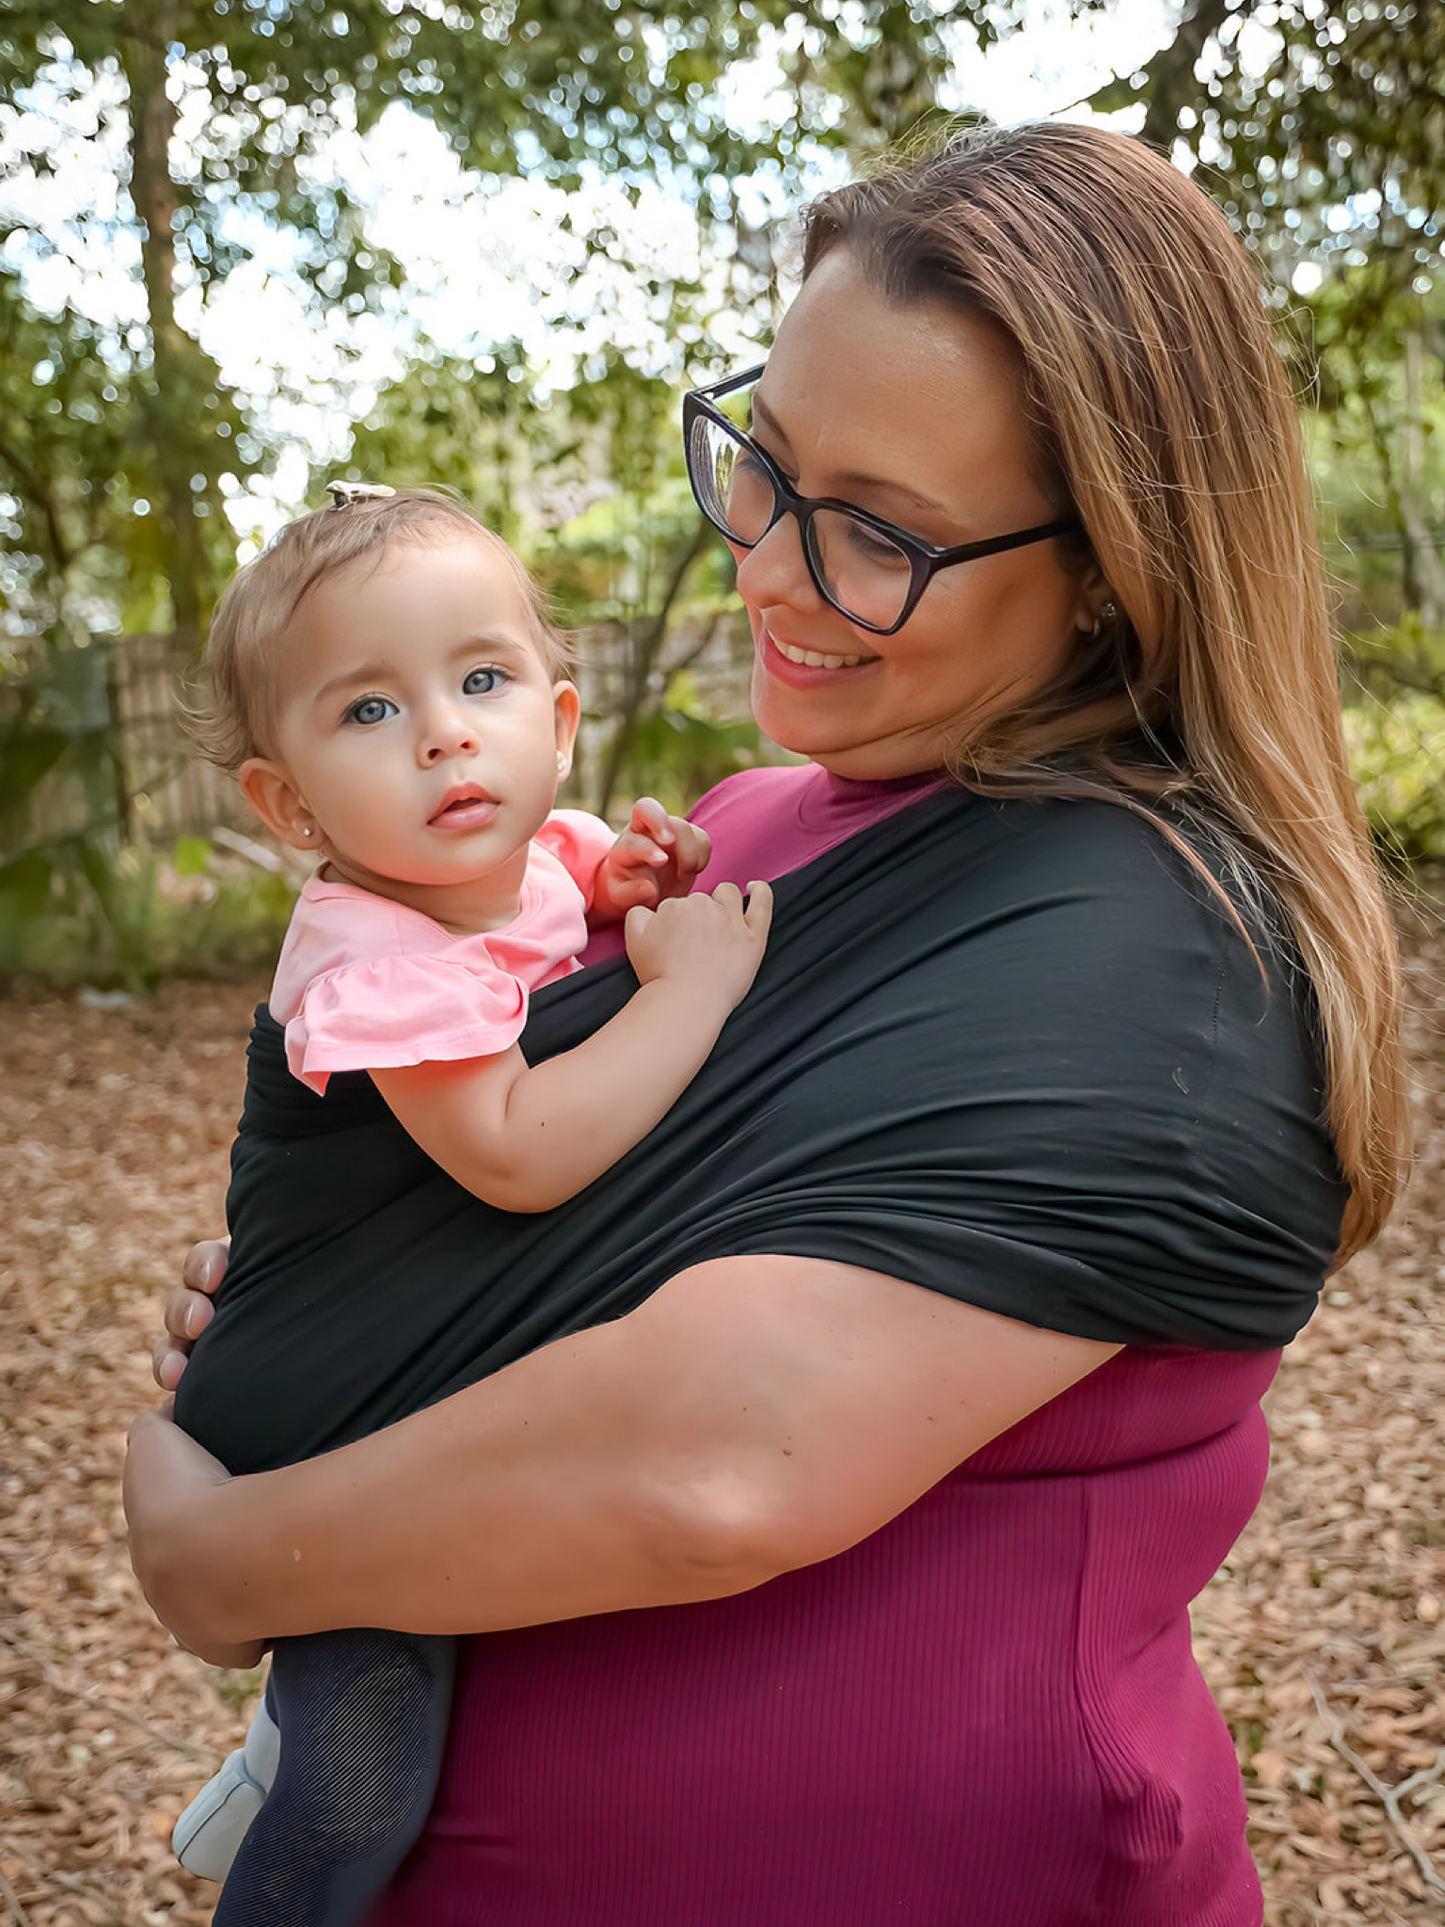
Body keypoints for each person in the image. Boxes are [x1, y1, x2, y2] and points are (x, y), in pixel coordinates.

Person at [125, 120, 1410, 1927]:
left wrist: (217, 1553)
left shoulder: (1162, 955)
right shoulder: (740, 830)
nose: (774, 572)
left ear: (1117, 561)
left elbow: (717, 1456)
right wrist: (321, 1290)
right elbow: (504, 1162)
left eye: (883, 531)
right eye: (767, 464)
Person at [165, 485, 772, 1922]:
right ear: (288, 803)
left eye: (481, 680)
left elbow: (571, 890)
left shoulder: (515, 855)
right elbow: (517, 1146)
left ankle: (288, 1731)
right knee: (375, 1752)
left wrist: (634, 884)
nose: (444, 730)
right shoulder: (376, 952)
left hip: (407, 1339)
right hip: (333, 1399)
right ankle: (291, 1852)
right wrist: (689, 989)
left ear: (556, 720)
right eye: (369, 710)